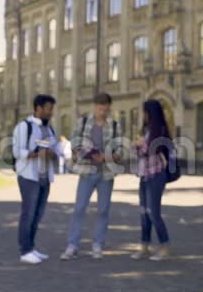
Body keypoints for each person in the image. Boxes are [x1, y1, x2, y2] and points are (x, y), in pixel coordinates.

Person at [60, 93, 123, 260]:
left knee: (103, 210)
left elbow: (120, 152)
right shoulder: (82, 123)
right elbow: (74, 144)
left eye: (105, 107)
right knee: (79, 208)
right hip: (87, 173)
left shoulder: (115, 126)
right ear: (95, 106)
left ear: (109, 107)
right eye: (99, 107)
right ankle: (72, 245)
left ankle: (98, 244)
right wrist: (85, 153)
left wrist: (106, 157)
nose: (102, 111)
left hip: (106, 174)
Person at [12, 94, 59, 265]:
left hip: (45, 178)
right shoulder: (24, 127)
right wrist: (38, 154)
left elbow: (57, 149)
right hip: (29, 177)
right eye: (48, 108)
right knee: (28, 213)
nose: (51, 112)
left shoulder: (49, 129)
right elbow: (18, 152)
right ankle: (24, 251)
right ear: (38, 108)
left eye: (52, 109)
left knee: (38, 215)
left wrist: (53, 153)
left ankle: (31, 248)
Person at [130, 100, 172, 261]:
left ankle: (165, 245)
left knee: (153, 213)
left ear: (151, 113)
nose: (143, 115)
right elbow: (135, 151)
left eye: (145, 112)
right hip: (144, 175)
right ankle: (144, 246)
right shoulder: (146, 130)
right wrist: (138, 146)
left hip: (156, 175)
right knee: (143, 213)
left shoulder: (159, 130)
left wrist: (139, 146)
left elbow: (148, 150)